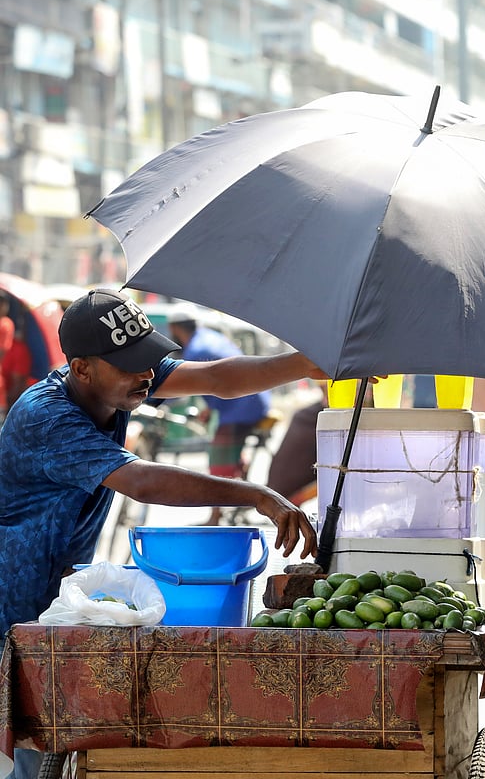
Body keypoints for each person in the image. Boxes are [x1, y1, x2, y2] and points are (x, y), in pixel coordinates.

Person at [0, 289, 321, 779]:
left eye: (149, 359)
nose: (146, 373)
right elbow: (143, 482)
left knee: (57, 738)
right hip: (11, 602)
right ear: (83, 368)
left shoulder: (116, 385)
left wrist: (306, 364)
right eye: (130, 363)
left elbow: (217, 378)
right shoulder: (46, 417)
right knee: (31, 748)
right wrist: (257, 495)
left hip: (57, 592)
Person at [167, 305, 271, 525]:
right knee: (229, 453)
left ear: (174, 328)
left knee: (218, 458)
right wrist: (210, 408)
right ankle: (244, 497)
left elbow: (198, 384)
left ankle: (216, 516)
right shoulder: (207, 337)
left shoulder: (196, 350)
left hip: (242, 405)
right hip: (251, 399)